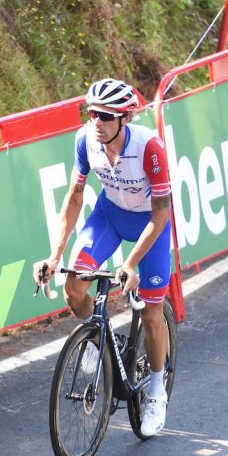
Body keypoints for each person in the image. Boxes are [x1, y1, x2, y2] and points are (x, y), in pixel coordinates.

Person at [33, 77, 172, 437]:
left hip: (149, 224)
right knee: (74, 287)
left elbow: (160, 213)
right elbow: (75, 197)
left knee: (153, 311)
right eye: (92, 112)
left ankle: (156, 390)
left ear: (124, 119)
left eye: (106, 116)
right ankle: (101, 342)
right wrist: (54, 254)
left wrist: (130, 264)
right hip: (109, 216)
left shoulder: (149, 148)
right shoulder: (85, 140)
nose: (97, 121)